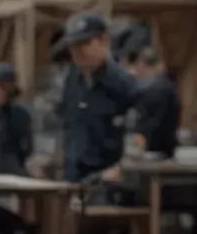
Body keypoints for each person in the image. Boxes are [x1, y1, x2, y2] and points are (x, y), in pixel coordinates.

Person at [55, 13, 145, 189]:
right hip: (73, 179)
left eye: (85, 44)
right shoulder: (72, 81)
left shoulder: (123, 85)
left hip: (108, 182)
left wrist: (123, 168)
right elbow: (66, 123)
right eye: (73, 46)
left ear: (105, 41)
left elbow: (137, 136)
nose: (79, 51)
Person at [126, 45, 180, 159]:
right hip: (166, 148)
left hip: (155, 151)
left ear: (141, 65)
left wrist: (141, 139)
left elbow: (151, 121)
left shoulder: (155, 88)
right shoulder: (167, 85)